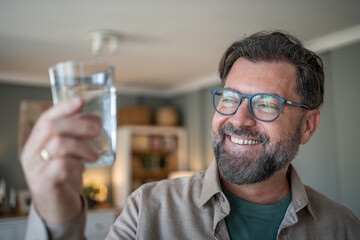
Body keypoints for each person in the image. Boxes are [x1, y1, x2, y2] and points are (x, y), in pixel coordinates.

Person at [22, 31, 360, 240]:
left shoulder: (342, 228)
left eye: (266, 104)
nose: (238, 119)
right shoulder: (149, 210)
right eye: (230, 99)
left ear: (308, 126)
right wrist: (57, 215)